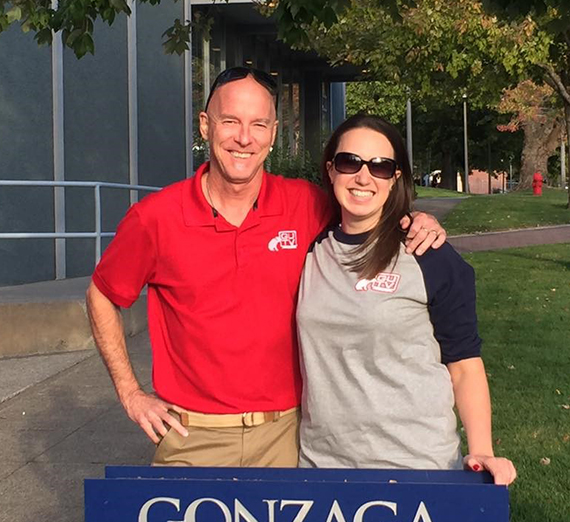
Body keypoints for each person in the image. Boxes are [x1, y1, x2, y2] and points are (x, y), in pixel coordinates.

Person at [86, 67, 445, 468]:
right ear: (205, 126)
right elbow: (101, 295)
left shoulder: (305, 204)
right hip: (192, 437)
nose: (244, 137)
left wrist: (415, 219)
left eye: (258, 124)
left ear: (273, 133)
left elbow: (365, 205)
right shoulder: (155, 219)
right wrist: (130, 393)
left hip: (287, 438)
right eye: (230, 122)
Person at [296, 114, 516, 485]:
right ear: (331, 170)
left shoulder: (427, 254)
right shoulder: (311, 249)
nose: (363, 177)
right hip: (323, 467)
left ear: (396, 178)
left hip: (416, 467)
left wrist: (482, 450)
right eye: (350, 162)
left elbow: (463, 365)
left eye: (380, 167)